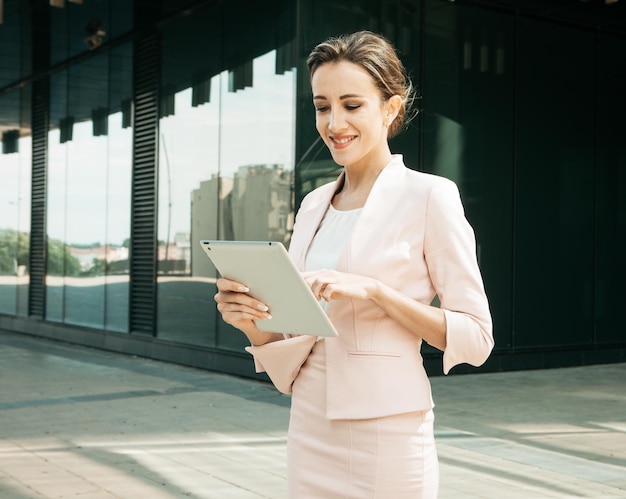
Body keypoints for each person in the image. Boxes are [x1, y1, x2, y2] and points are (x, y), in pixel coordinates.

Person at [214, 30, 494, 498]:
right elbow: (296, 336)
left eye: (352, 104)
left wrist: (375, 291)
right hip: (309, 425)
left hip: (388, 433)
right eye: (322, 106)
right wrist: (249, 321)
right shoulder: (313, 205)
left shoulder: (429, 196)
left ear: (391, 108)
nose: (333, 122)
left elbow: (477, 337)